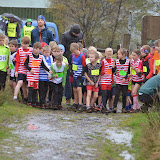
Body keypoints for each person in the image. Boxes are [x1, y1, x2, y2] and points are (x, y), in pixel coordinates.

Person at [61, 24, 85, 105]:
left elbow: (83, 45)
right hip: (69, 59)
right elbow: (63, 48)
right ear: (72, 32)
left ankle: (78, 101)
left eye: (78, 33)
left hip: (79, 59)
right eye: (76, 34)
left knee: (77, 83)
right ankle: (68, 97)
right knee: (68, 80)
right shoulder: (65, 36)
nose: (77, 35)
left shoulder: (81, 34)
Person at [24, 42, 52, 107]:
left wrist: (49, 70)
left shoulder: (40, 57)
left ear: (40, 50)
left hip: (36, 76)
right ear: (33, 48)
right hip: (31, 75)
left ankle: (34, 102)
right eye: (35, 48)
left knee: (35, 89)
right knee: (30, 88)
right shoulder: (30, 56)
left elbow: (43, 65)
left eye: (38, 49)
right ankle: (29, 101)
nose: (36, 50)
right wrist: (30, 69)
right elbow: (25, 64)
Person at [13, 36, 33, 102]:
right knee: (20, 82)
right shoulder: (19, 50)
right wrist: (16, 71)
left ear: (28, 44)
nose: (24, 45)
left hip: (28, 70)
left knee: (26, 85)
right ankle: (15, 96)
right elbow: (17, 61)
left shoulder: (31, 50)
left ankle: (26, 98)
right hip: (21, 69)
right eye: (23, 43)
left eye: (26, 44)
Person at [69, 43, 86, 111]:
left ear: (78, 49)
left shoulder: (82, 56)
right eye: (72, 52)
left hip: (80, 75)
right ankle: (75, 103)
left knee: (79, 89)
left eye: (74, 51)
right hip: (75, 74)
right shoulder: (72, 55)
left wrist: (81, 74)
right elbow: (72, 64)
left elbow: (84, 66)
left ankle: (80, 104)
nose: (74, 53)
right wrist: (71, 70)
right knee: (75, 89)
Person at [113, 48, 130, 113]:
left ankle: (123, 108)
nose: (118, 55)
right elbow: (114, 71)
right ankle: (115, 107)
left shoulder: (128, 62)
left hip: (125, 81)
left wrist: (125, 78)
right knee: (116, 94)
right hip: (118, 80)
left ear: (123, 55)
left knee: (124, 94)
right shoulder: (117, 61)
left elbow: (129, 72)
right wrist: (113, 67)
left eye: (119, 54)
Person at [100, 48, 114, 113]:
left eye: (110, 55)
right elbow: (101, 70)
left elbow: (113, 71)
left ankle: (107, 106)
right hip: (103, 80)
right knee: (104, 93)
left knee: (109, 94)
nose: (109, 56)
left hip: (109, 80)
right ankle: (103, 106)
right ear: (105, 54)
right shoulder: (103, 61)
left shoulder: (112, 61)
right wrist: (102, 71)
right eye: (108, 55)